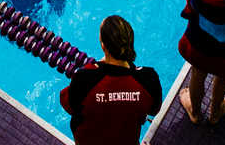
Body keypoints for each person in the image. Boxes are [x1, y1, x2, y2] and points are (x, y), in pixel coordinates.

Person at [60, 15, 162, 144]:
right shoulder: (148, 77)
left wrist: (94, 67)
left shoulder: (84, 77)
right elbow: (154, 110)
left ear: (103, 46)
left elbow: (69, 106)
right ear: (130, 42)